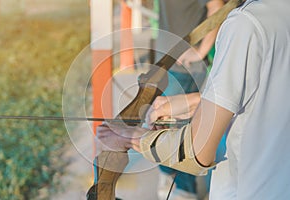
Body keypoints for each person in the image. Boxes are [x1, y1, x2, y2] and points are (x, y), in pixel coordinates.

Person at [96, 0, 290, 199]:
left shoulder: (246, 24)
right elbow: (270, 93)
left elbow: (197, 151)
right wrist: (196, 102)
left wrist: (127, 137)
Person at [153, 0, 224, 199]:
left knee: (179, 129)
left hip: (185, 66)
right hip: (165, 61)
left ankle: (185, 190)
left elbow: (217, 7)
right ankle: (168, 175)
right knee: (162, 125)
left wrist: (201, 50)